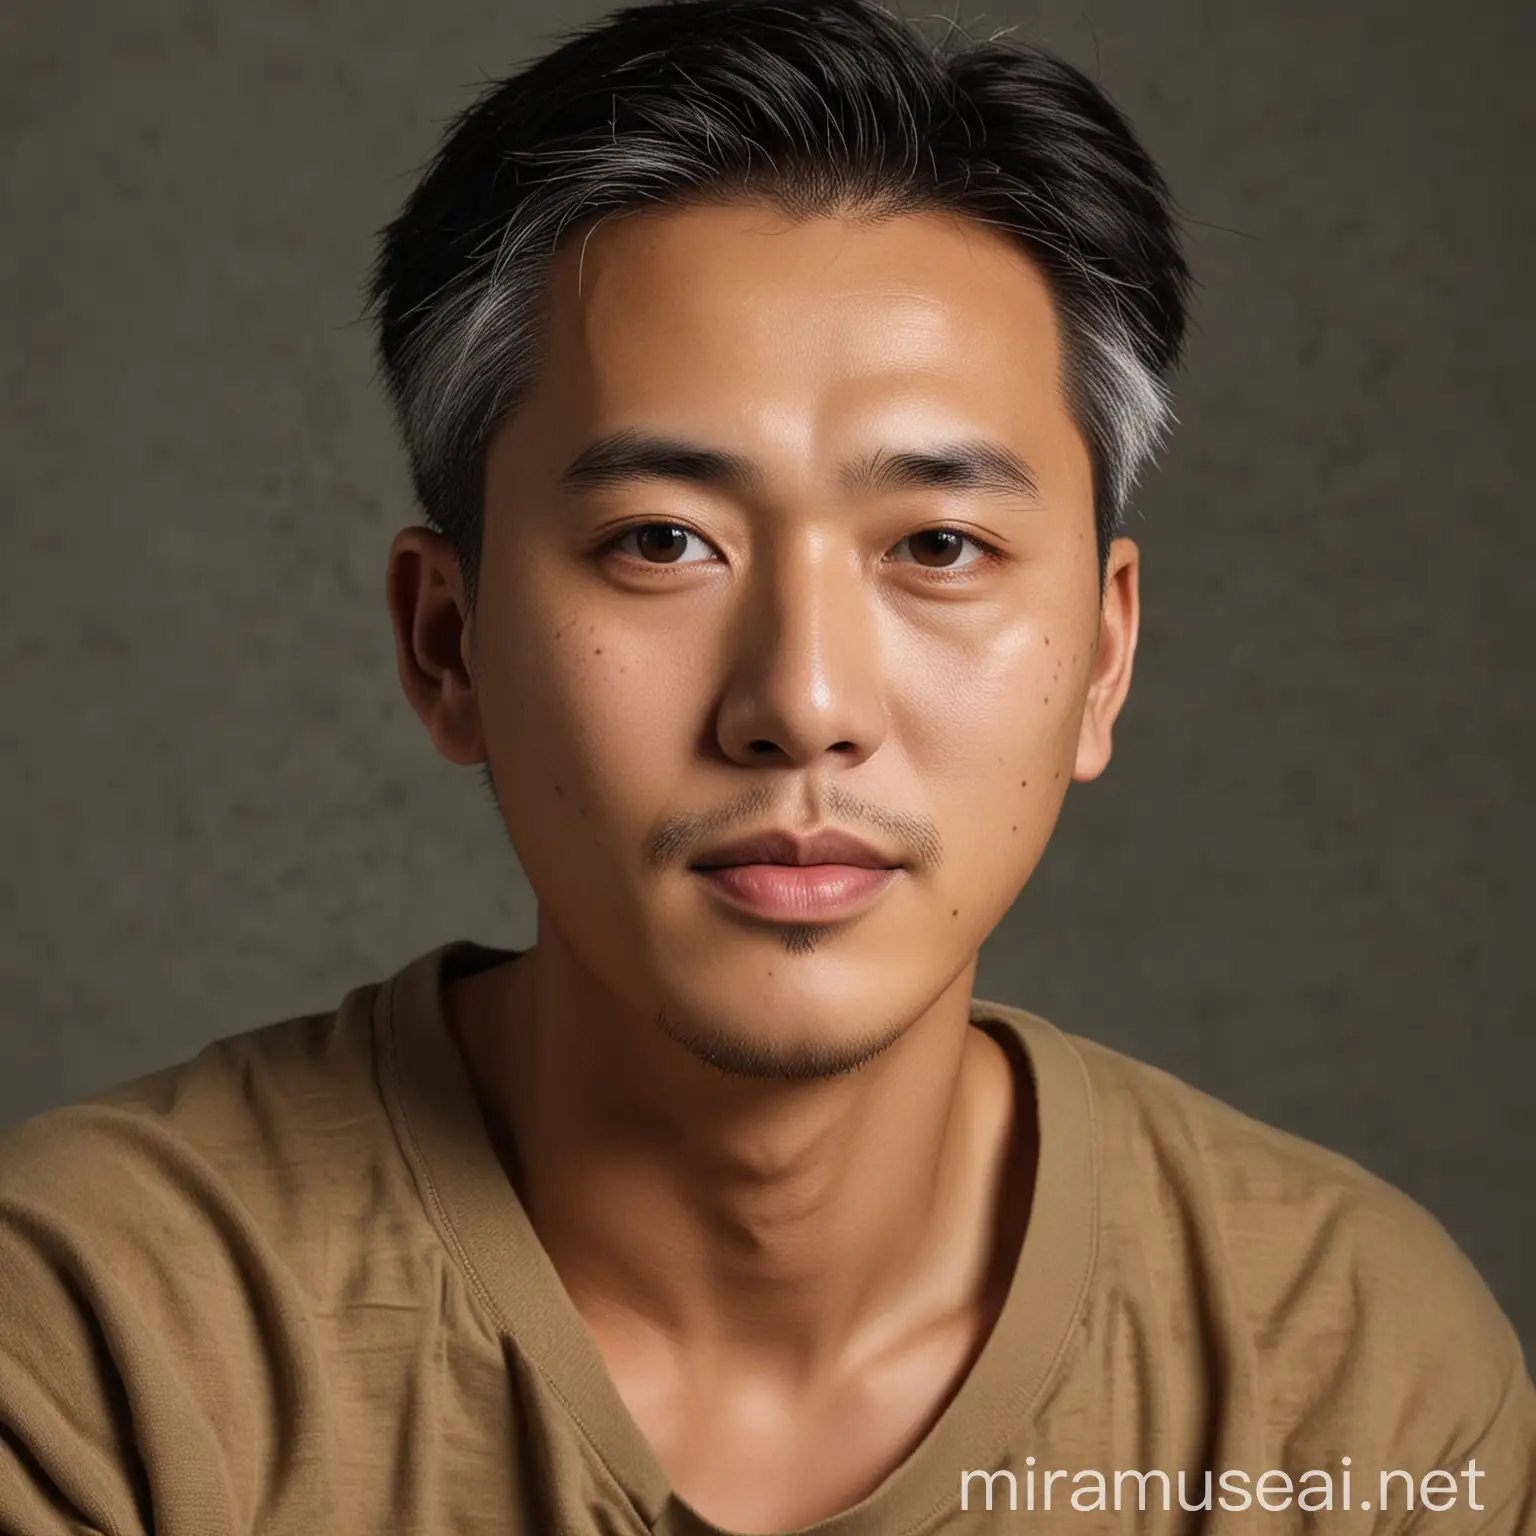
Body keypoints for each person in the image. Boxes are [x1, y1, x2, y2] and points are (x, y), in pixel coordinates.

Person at [2, 0, 1531, 1531]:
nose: (801, 703)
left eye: (939, 545)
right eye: (662, 541)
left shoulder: (1344, 1376)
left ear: (1104, 657)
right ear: (446, 645)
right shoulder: (99, 1340)